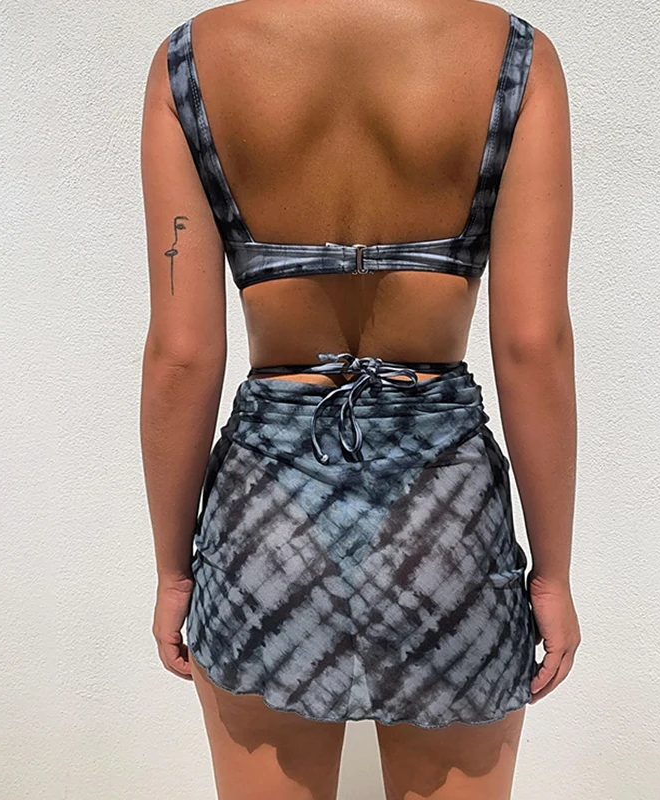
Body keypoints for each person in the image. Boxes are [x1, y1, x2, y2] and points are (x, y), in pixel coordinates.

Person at [139, 1, 579, 797]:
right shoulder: (516, 58)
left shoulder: (191, 61)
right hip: (443, 514)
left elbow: (182, 355)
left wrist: (174, 572)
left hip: (267, 514)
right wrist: (550, 576)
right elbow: (532, 345)